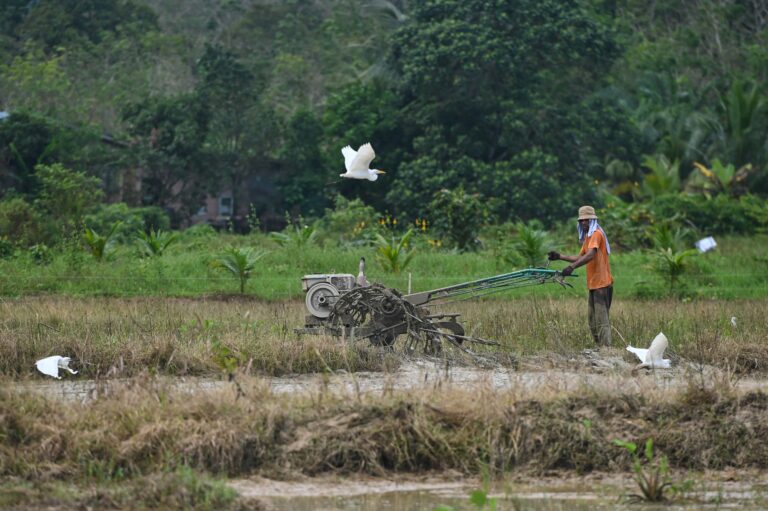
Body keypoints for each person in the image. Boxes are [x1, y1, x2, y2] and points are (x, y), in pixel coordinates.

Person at [548, 206, 613, 347]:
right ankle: (600, 348)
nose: (583, 223)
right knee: (592, 320)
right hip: (594, 284)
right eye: (581, 220)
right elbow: (580, 257)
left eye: (586, 220)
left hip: (602, 284)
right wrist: (559, 256)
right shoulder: (588, 238)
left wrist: (572, 267)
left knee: (601, 320)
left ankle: (607, 350)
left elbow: (590, 255)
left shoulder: (596, 234)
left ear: (592, 220)